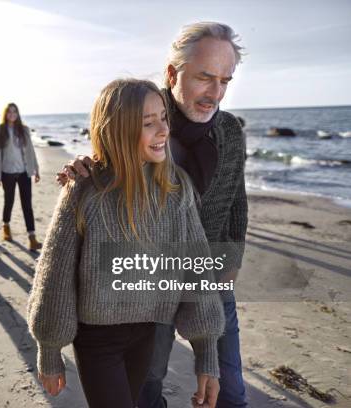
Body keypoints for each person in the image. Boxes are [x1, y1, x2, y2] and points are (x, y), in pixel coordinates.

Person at [57, 22, 249, 408]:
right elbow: (108, 159)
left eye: (225, 81)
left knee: (229, 391)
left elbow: (237, 203)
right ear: (172, 74)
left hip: (208, 278)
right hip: (147, 281)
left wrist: (232, 261)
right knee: (147, 386)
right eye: (205, 78)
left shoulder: (230, 131)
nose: (216, 94)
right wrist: (84, 165)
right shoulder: (140, 117)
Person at [28, 78, 224, 408]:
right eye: (149, 123)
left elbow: (197, 270)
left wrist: (207, 354)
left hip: (147, 331)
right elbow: (55, 274)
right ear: (117, 130)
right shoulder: (85, 190)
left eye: (164, 117)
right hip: (97, 339)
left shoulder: (177, 191)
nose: (163, 130)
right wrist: (49, 351)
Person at [0, 103, 42, 251]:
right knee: (9, 201)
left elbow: (31, 151)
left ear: (18, 114)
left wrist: (36, 169)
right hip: (7, 172)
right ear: (5, 114)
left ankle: (32, 238)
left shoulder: (24, 129)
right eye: (9, 112)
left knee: (27, 204)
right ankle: (6, 226)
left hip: (24, 172)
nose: (12, 114)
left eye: (15, 112)